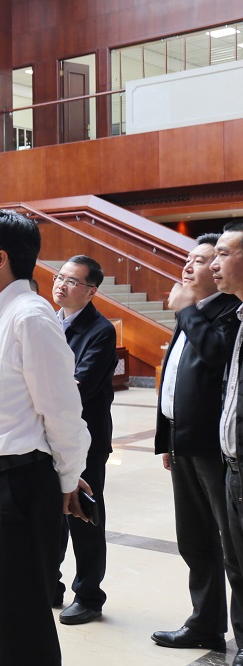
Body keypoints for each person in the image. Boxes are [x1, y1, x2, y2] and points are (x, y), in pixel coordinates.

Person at [0, 209, 91, 666]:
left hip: (16, 484)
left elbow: (62, 409)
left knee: (21, 618)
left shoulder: (30, 317)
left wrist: (68, 480)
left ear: (0, 259)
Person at [153, 234, 243, 654]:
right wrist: (166, 438)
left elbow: (214, 355)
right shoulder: (193, 311)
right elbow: (173, 378)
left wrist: (187, 309)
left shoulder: (228, 311)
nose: (189, 267)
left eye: (203, 259)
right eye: (187, 259)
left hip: (214, 446)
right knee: (194, 539)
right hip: (184, 439)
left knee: (233, 549)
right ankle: (205, 623)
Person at [50, 255, 118, 625]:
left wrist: (40, 390)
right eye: (60, 277)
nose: (61, 285)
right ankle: (51, 585)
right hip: (49, 437)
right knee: (51, 514)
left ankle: (89, 595)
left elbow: (79, 388)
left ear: (91, 291)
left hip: (86, 440)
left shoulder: (100, 330)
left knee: (84, 515)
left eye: (72, 281)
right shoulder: (49, 321)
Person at [212, 221, 243, 666]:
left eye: (223, 253)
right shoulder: (237, 317)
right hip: (232, 465)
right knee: (236, 565)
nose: (214, 263)